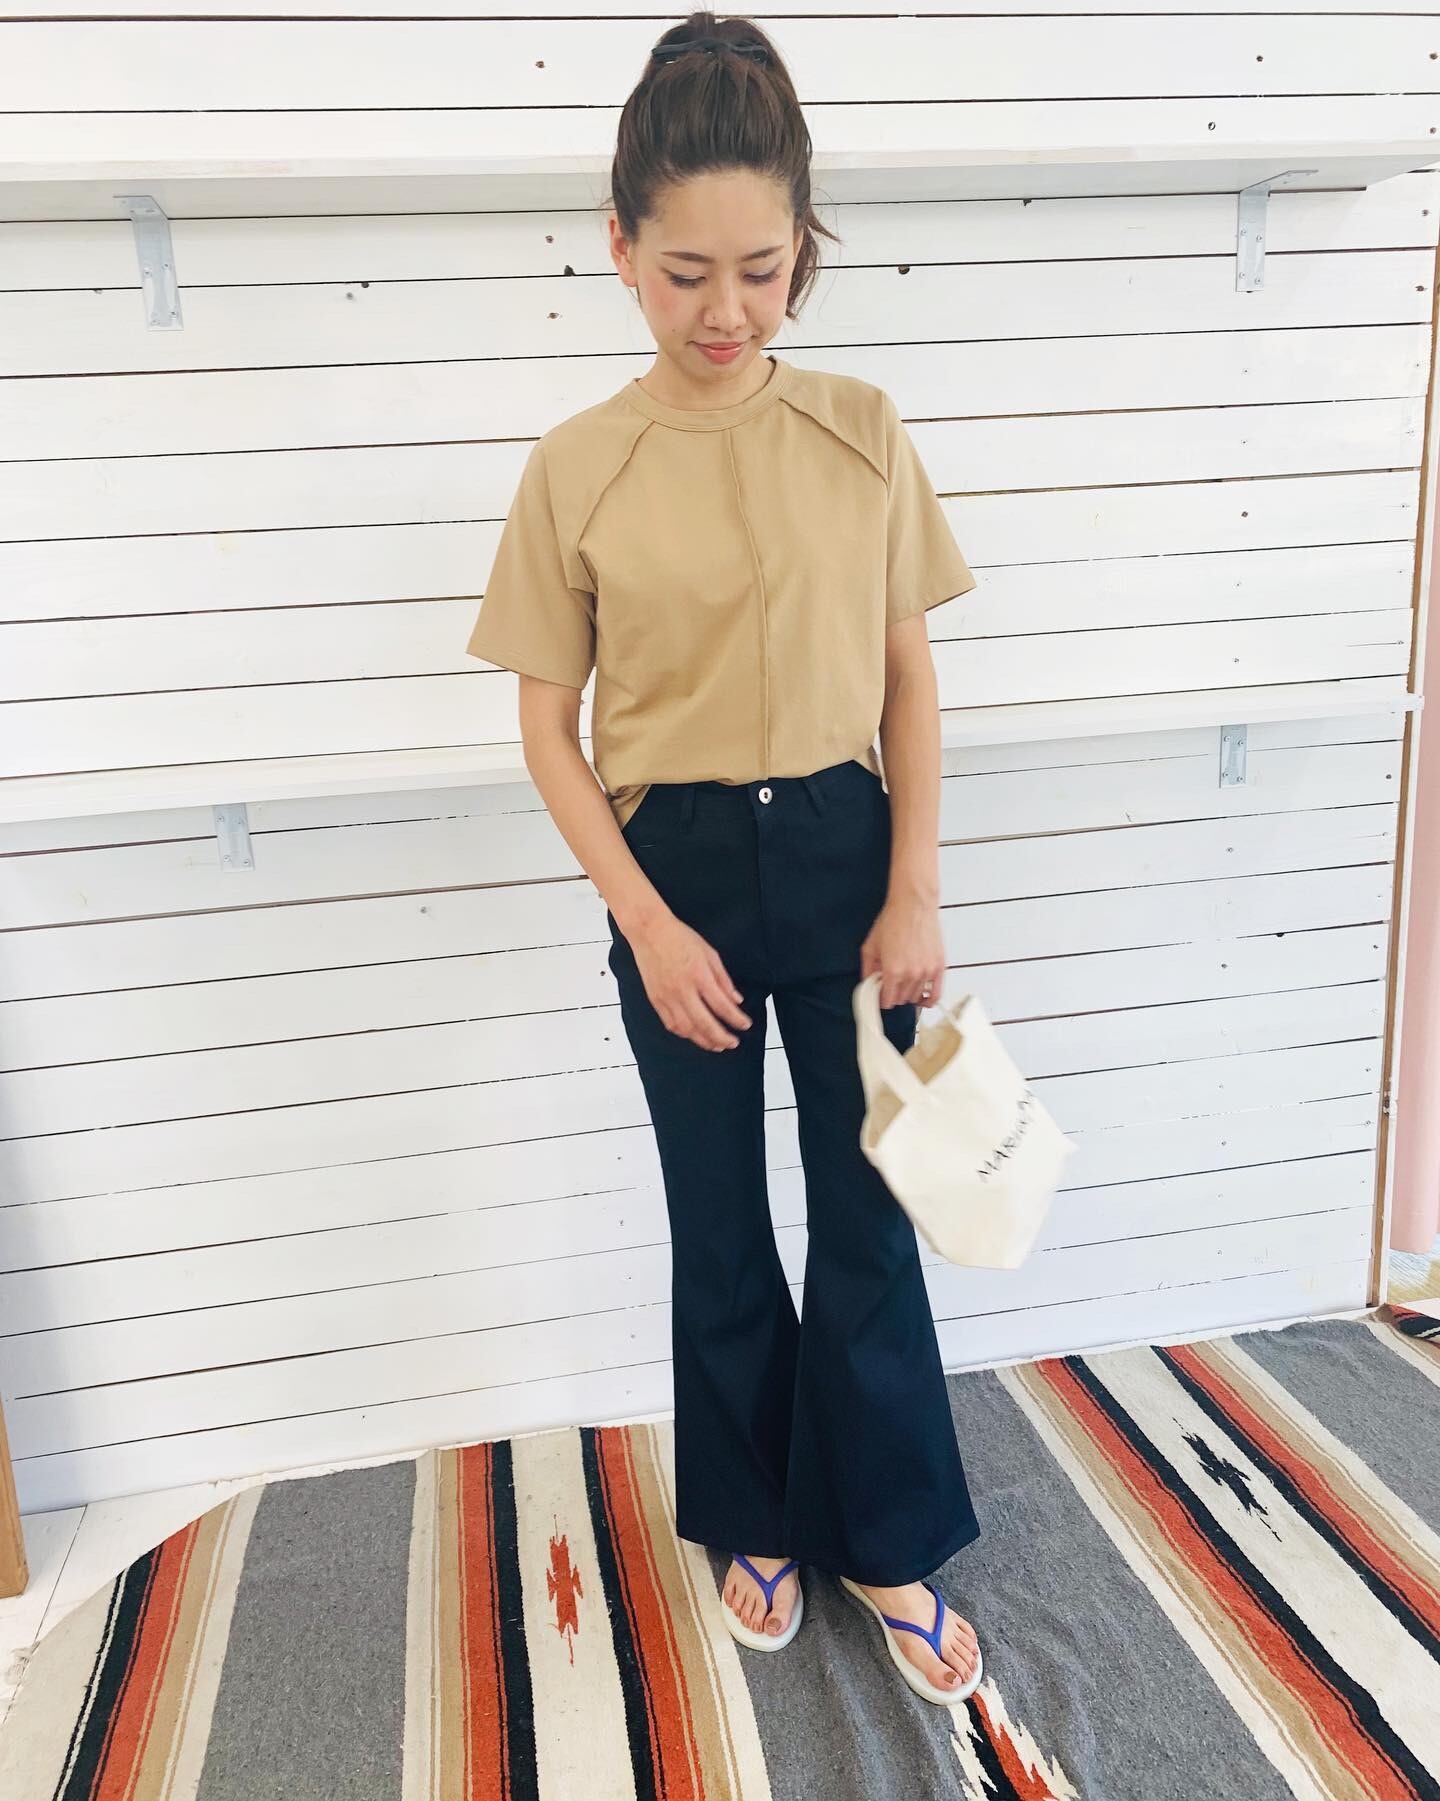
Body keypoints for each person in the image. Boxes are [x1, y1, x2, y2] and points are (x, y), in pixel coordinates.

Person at [464, 9, 984, 1705]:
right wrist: (644, 918)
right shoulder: (576, 466)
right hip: (670, 870)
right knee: (718, 1218)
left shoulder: (863, 428)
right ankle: (752, 1512)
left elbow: (909, 678)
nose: (726, 311)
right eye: (685, 271)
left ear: (802, 248)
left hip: (848, 851)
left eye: (762, 271)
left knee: (873, 1210)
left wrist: (913, 884)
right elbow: (548, 726)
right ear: (618, 247)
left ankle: (887, 1531)